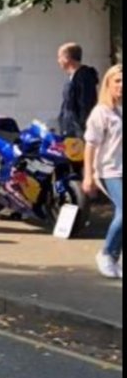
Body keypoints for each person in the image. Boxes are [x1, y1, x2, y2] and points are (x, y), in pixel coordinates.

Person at [83, 65, 122, 279]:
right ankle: (106, 253)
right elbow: (90, 145)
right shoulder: (101, 112)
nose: (121, 86)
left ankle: (114, 257)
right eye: (117, 81)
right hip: (110, 170)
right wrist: (88, 175)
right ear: (108, 84)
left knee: (121, 214)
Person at [58, 43, 100, 137]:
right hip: (69, 130)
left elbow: (85, 105)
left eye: (60, 57)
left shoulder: (84, 78)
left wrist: (82, 130)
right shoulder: (72, 78)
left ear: (67, 58)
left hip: (78, 132)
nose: (58, 61)